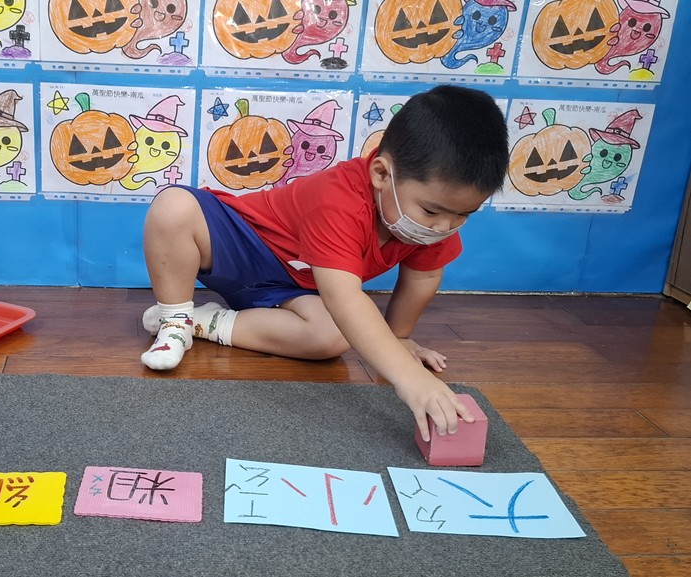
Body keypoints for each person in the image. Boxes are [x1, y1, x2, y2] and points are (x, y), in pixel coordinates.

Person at [139, 84, 509, 441]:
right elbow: (344, 297)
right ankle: (174, 319)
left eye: (465, 214)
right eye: (430, 211)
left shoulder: (437, 224)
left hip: (289, 289)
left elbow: (422, 278)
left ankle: (202, 322)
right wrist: (410, 379)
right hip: (241, 245)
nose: (444, 226)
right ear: (382, 173)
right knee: (174, 207)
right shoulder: (339, 198)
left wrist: (399, 339)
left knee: (332, 336)